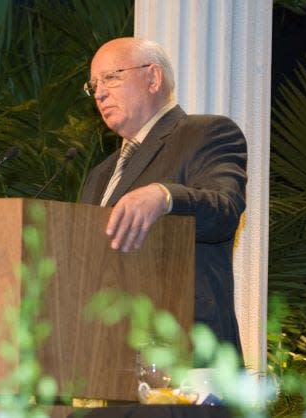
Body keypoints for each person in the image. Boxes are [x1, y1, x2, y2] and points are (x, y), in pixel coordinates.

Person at [80, 37, 247, 353]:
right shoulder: (100, 174)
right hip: (106, 355)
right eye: (94, 86)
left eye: (111, 78)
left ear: (152, 78)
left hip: (185, 350)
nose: (99, 93)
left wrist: (164, 197)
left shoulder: (205, 133)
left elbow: (225, 210)